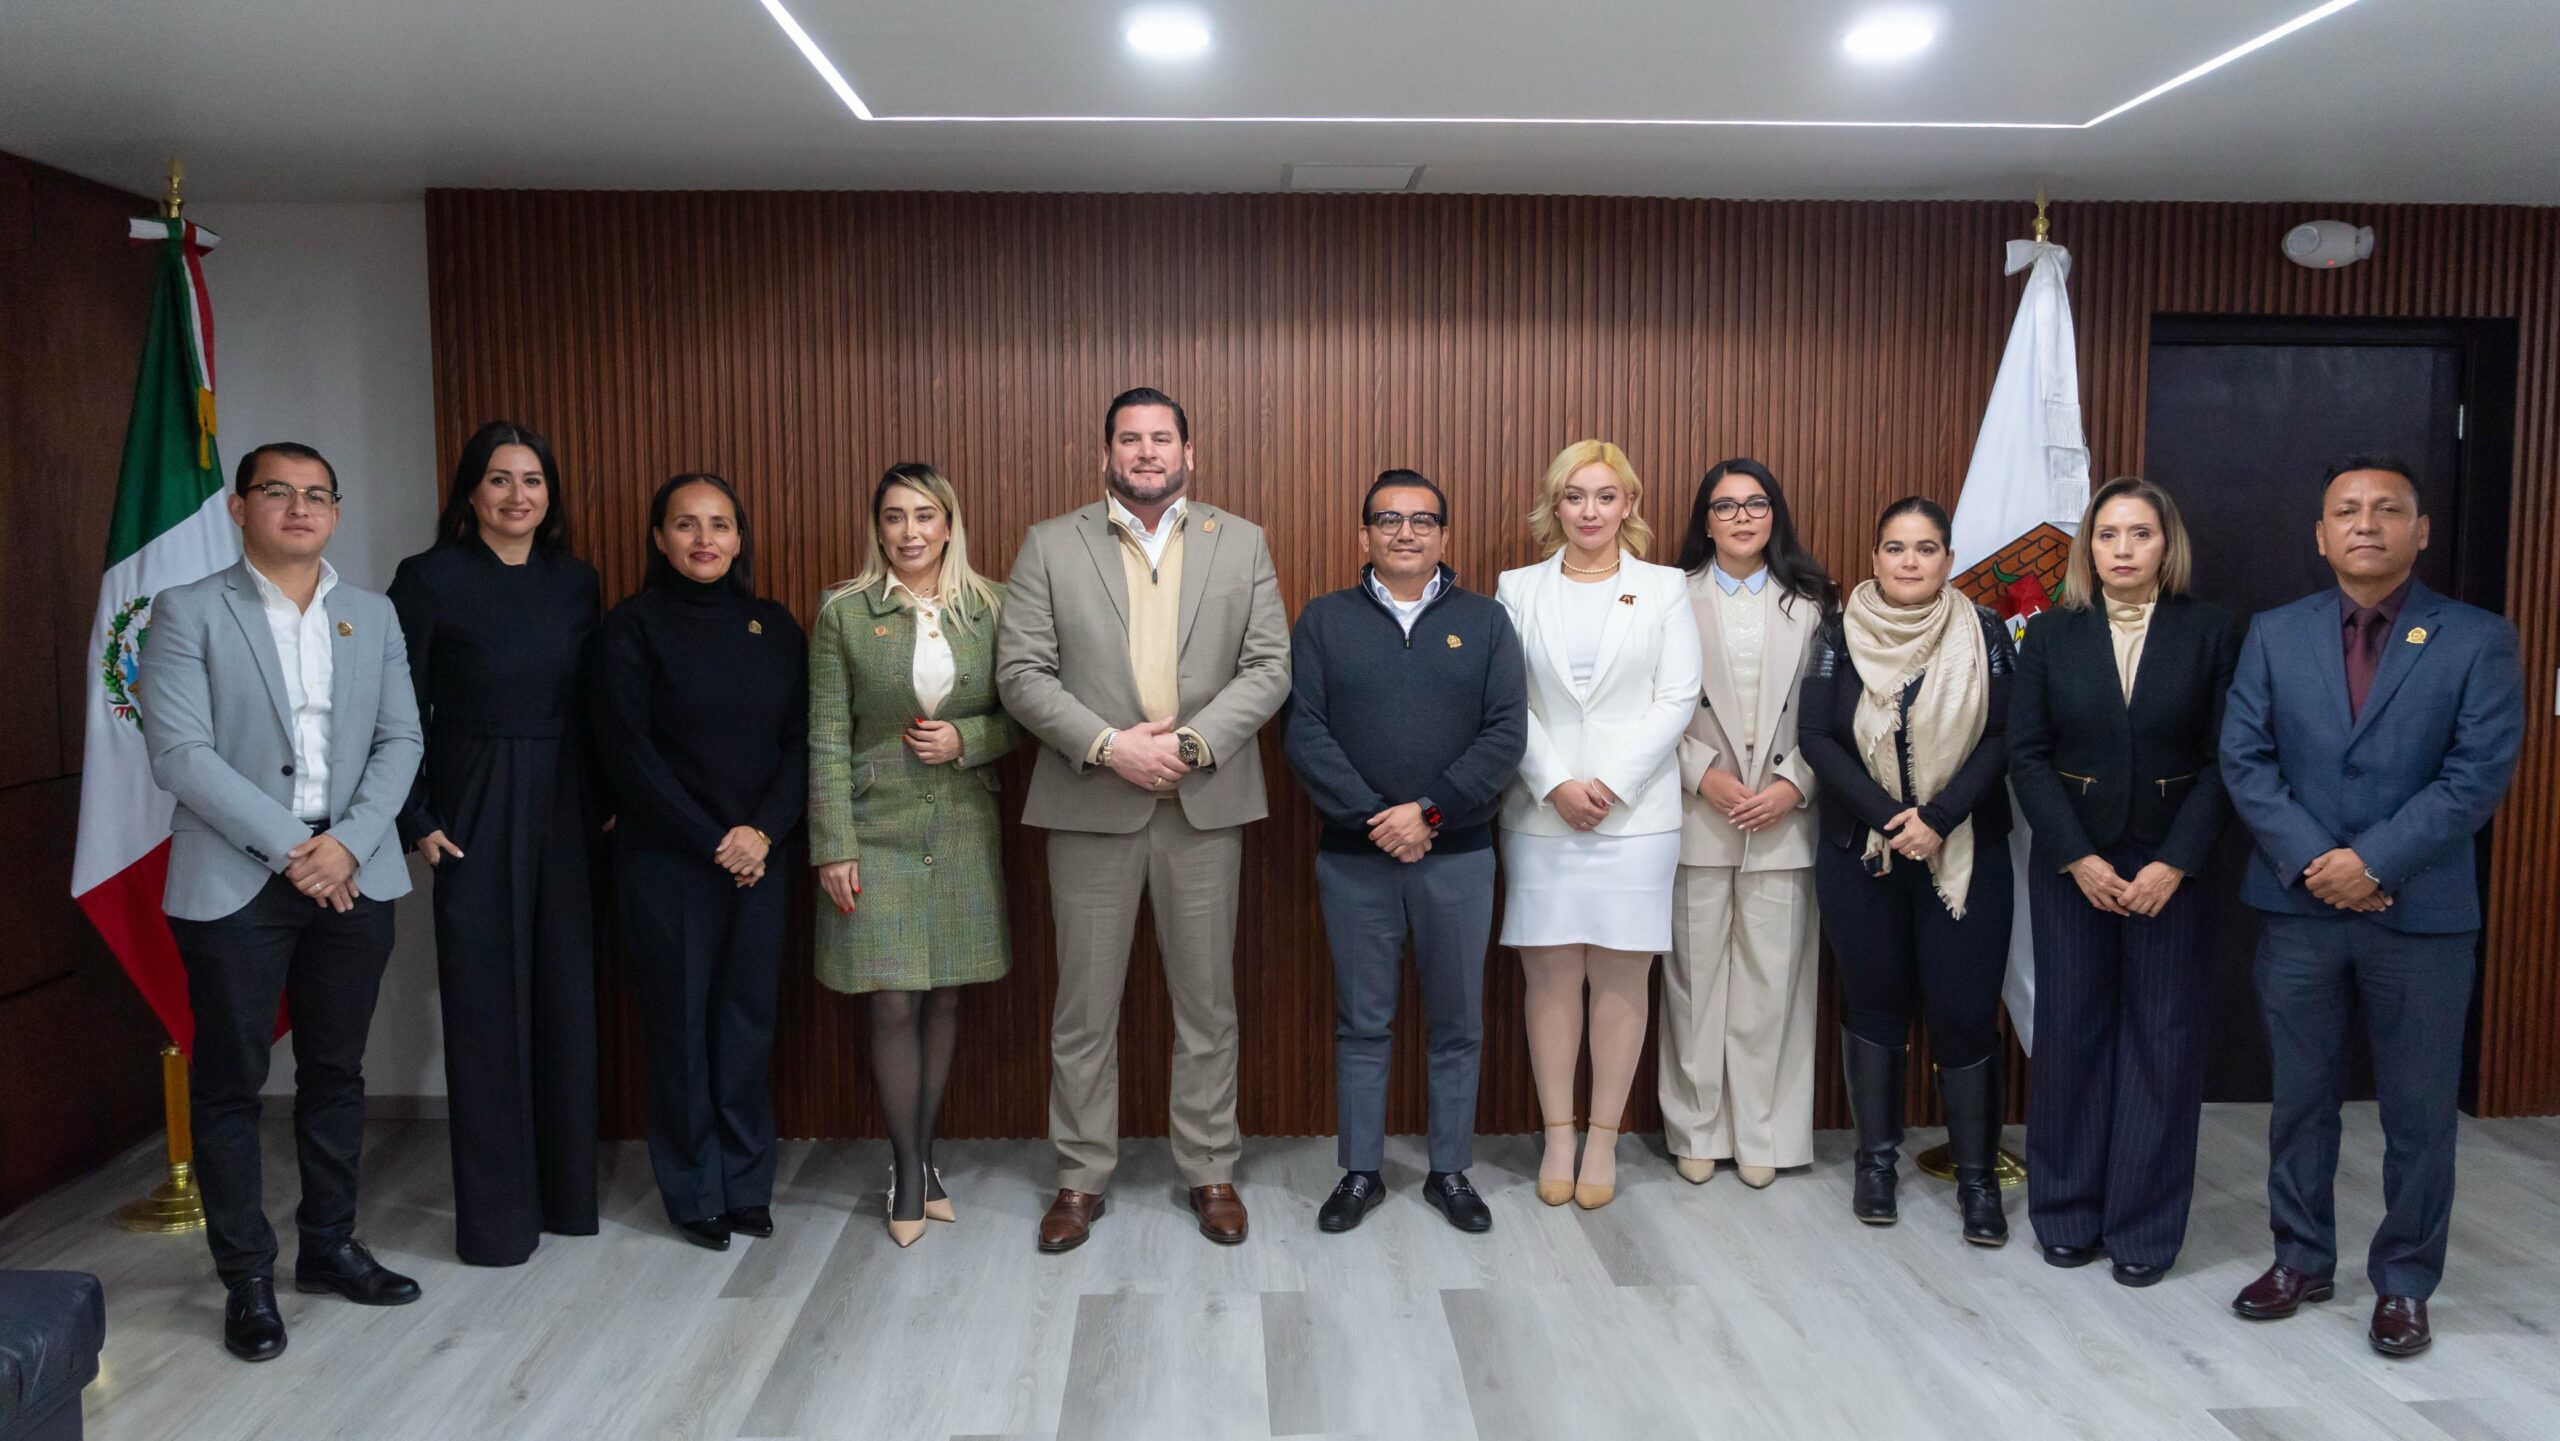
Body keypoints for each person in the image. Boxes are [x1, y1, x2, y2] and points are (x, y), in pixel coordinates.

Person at [2222, 456, 2523, 1358]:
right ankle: (2301, 1257)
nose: (2366, 523)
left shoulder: (2476, 637)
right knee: (2301, 1100)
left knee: (2418, 1113)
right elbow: (2245, 757)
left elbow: (2477, 777)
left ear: (2420, 530)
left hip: (2420, 914)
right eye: (2346, 511)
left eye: (2388, 509)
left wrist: (2375, 860)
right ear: (2319, 535)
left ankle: (2404, 1282)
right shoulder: (2275, 633)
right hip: (2302, 907)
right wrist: (2321, 860)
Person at [138, 441, 424, 1361]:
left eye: (316, 496)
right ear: (239, 505)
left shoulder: (372, 616)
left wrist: (343, 844)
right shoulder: (186, 611)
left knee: (335, 1072)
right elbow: (180, 755)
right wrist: (296, 849)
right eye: (278, 492)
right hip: (234, 879)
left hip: (353, 871)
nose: (298, 509)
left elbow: (401, 740)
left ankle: (330, 1247)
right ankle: (247, 1277)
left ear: (335, 511)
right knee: (229, 1082)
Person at [996, 386, 1290, 1251]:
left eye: (1163, 438)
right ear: (1106, 456)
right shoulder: (1052, 544)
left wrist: (1190, 745)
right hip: (1093, 803)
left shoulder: (1241, 542)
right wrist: (1109, 745)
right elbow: (1021, 673)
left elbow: (1269, 667)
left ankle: (1208, 1167)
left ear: (1189, 452)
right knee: (1085, 1007)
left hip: (1204, 807)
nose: (1147, 452)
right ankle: (1080, 1177)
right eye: (1131, 439)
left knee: (1208, 1003)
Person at [1284, 469, 1527, 1234]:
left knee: (1458, 1020)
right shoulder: (1324, 620)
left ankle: (1449, 1170)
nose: (1405, 533)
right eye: (1387, 520)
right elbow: (1304, 732)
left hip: (1457, 854)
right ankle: (1360, 1171)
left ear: (1444, 536)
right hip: (1355, 858)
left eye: (1422, 521)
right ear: (1364, 536)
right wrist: (1376, 819)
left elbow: (1505, 734)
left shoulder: (1486, 621)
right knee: (1363, 1020)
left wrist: (1426, 813)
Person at [2011, 476, 2240, 1287]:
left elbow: (2228, 759)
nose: (2122, 550)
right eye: (2107, 535)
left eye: (2139, 534)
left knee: (2162, 1041)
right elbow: (2027, 755)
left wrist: (2174, 862)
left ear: (2165, 544)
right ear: (2087, 547)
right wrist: (2078, 856)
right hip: (2076, 863)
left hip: (2171, 868)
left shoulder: (2212, 631)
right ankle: (2067, 1210)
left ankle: (2143, 1225)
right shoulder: (2049, 633)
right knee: (2071, 1031)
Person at [387, 420, 603, 1268]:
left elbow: (596, 701)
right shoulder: (427, 578)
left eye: (534, 481)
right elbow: (393, 705)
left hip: (564, 799)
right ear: (470, 492)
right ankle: (496, 1224)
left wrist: (604, 800)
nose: (519, 496)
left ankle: (565, 1201)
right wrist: (415, 815)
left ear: (550, 496)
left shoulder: (578, 581)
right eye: (500, 479)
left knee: (564, 1001)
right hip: (470, 797)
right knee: (483, 1012)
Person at [809, 463, 1024, 1248]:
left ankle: (928, 1157)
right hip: (876, 828)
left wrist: (970, 738)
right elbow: (827, 732)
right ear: (878, 528)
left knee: (946, 995)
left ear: (948, 524)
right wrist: (832, 844)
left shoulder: (992, 606)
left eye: (923, 516)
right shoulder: (842, 610)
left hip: (965, 822)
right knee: (892, 995)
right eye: (894, 517)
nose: (908, 532)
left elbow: (1021, 712)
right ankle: (906, 1164)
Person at [596, 473, 807, 1252]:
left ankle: (748, 1184)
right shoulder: (632, 627)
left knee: (747, 1023)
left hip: (762, 858)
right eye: (686, 525)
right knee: (681, 1027)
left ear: (740, 537)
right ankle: (694, 1189)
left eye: (720, 524)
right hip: (668, 861)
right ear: (659, 538)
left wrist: (762, 834)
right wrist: (715, 839)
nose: (705, 539)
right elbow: (629, 752)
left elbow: (799, 743)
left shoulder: (774, 625)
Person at [1799, 496, 2017, 1246]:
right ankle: (1876, 1165)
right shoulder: (1839, 630)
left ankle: (1979, 1179)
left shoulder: (1984, 629)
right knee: (1875, 1005)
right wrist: (1896, 819)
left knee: (1963, 1012)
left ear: (1949, 560)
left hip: (1965, 850)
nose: (1910, 562)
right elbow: (1817, 738)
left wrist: (1940, 818)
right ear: (1875, 558)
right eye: (1895, 548)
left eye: (1926, 549)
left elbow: (2004, 735)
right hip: (1864, 852)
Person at [1495, 440, 1700, 1211]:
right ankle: (1557, 1133)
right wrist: (1555, 783)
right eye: (1574, 496)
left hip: (1636, 817)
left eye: (1604, 497)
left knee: (1621, 976)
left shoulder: (1663, 586)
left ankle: (1605, 1137)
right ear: (1556, 505)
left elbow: (1676, 697)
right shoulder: (1517, 587)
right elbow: (1505, 699)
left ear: (1629, 506)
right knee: (1548, 975)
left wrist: (1608, 784)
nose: (1588, 511)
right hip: (1541, 813)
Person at [1662, 459, 1833, 1190]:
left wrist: (1796, 783)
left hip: (1786, 815)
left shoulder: (1816, 602)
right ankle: (1697, 1127)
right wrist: (1704, 773)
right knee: (1695, 983)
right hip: (1700, 808)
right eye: (1724, 505)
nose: (1740, 517)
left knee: (1773, 982)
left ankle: (1762, 1130)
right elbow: (1643, 701)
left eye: (1755, 503)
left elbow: (1843, 712)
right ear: (1705, 519)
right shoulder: (1669, 596)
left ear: (1775, 514)